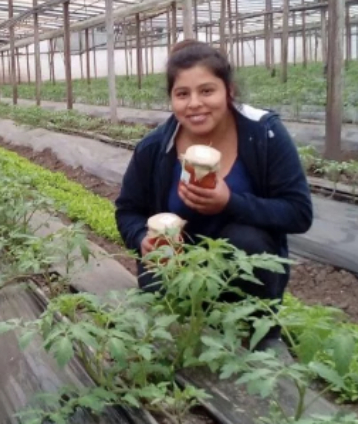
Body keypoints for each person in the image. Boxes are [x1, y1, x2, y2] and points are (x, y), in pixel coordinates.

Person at [114, 40, 313, 352]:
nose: (194, 103)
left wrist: (230, 202)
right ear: (172, 99)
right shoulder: (155, 147)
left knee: (246, 238)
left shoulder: (264, 134)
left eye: (207, 91)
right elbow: (127, 210)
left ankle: (255, 334)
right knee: (163, 324)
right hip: (177, 267)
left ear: (229, 91)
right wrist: (142, 238)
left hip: (245, 269)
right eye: (183, 94)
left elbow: (299, 212)